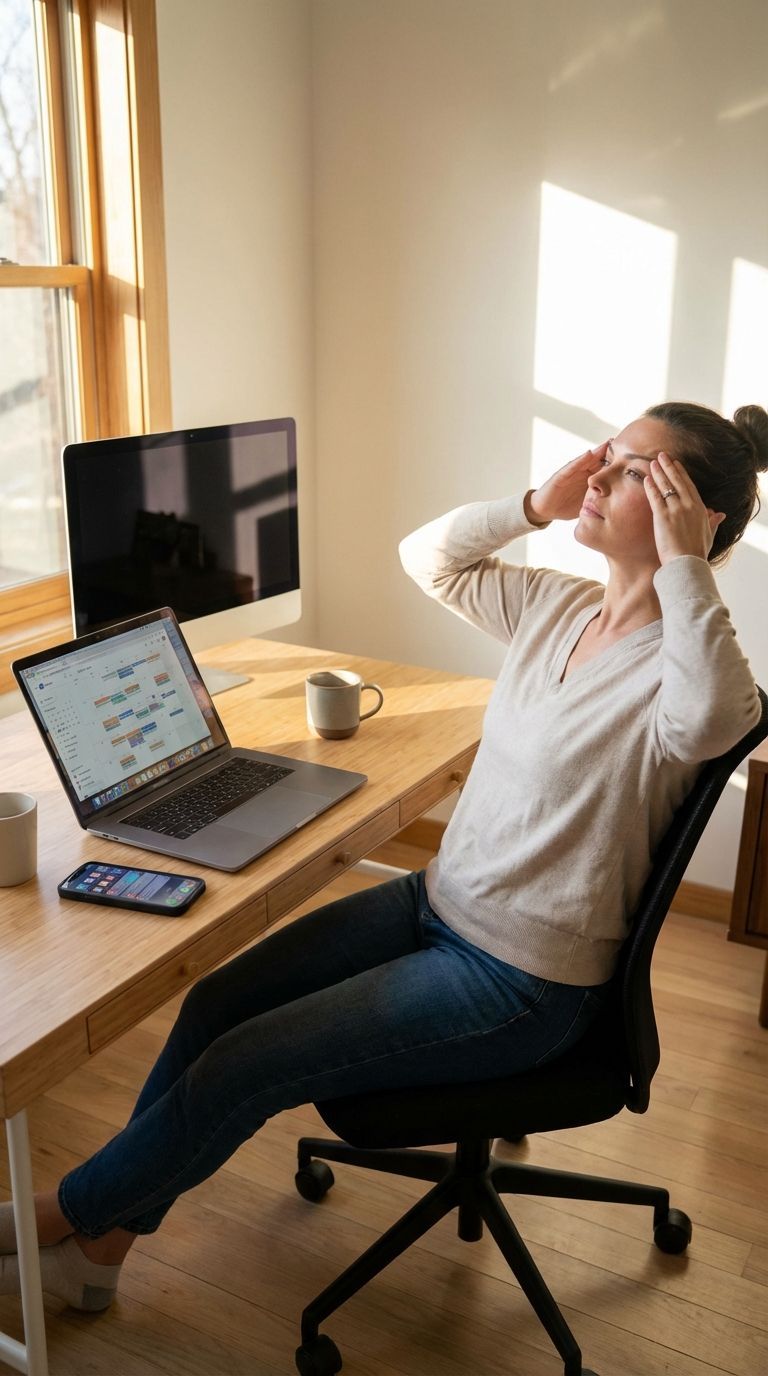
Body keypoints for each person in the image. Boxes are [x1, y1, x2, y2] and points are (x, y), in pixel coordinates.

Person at [1, 401, 765, 1314]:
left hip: (522, 981)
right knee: (215, 1005)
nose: (596, 476)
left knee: (245, 1066)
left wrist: (687, 567)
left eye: (635, 471)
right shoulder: (556, 606)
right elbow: (428, 559)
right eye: (605, 456)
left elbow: (719, 722)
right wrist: (533, 504)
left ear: (694, 515)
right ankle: (105, 1245)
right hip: (437, 905)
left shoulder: (690, 668)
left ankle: (51, 1218)